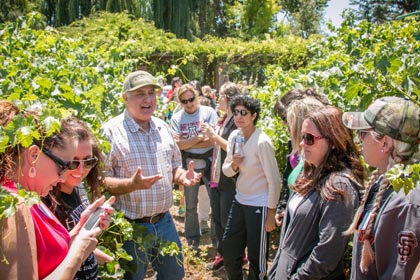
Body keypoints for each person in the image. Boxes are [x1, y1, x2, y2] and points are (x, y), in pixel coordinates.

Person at [101, 70, 202, 280]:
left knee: (174, 274)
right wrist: (131, 184)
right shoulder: (111, 132)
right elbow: (103, 180)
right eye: (139, 94)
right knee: (133, 277)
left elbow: (174, 167)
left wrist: (182, 176)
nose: (147, 99)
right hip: (132, 227)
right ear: (124, 98)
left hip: (165, 222)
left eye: (151, 93)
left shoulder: (162, 128)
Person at [0, 100, 114, 279]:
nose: (63, 177)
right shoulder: (14, 205)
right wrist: (78, 252)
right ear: (34, 155)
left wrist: (78, 232)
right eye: (63, 165)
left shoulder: (29, 196)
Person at [269, 105, 365, 280]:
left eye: (309, 138)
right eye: (302, 137)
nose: (301, 143)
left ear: (334, 141)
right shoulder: (313, 171)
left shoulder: (339, 185)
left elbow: (327, 253)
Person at [342, 96, 420, 279]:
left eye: (363, 132)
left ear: (385, 143)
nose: (358, 139)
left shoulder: (406, 203)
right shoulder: (383, 182)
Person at [42, 117, 113, 280]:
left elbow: (77, 242)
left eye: (88, 161)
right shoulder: (45, 201)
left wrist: (112, 262)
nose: (80, 170)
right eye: (72, 163)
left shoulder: (78, 188)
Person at [222, 95, 281, 280]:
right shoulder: (234, 136)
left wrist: (271, 213)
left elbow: (275, 181)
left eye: (244, 113)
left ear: (254, 115)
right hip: (240, 200)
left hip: (259, 205)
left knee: (257, 258)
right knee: (229, 250)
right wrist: (235, 165)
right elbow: (226, 170)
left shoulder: (262, 142)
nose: (239, 116)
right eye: (236, 112)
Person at [170, 83, 218, 248]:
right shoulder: (177, 118)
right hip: (189, 164)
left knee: (215, 203)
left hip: (211, 163)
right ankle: (192, 240)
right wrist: (199, 138)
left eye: (191, 99)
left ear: (197, 97)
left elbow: (213, 139)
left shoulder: (209, 113)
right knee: (190, 205)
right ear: (180, 102)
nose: (189, 104)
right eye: (185, 101)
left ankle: (217, 242)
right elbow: (177, 145)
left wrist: (188, 142)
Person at [205, 81, 242, 271]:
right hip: (217, 177)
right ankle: (225, 254)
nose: (217, 99)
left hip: (228, 179)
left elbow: (232, 148)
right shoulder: (224, 119)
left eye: (220, 96)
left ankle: (231, 257)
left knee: (227, 219)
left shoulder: (237, 121)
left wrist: (213, 135)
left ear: (227, 99)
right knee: (218, 217)